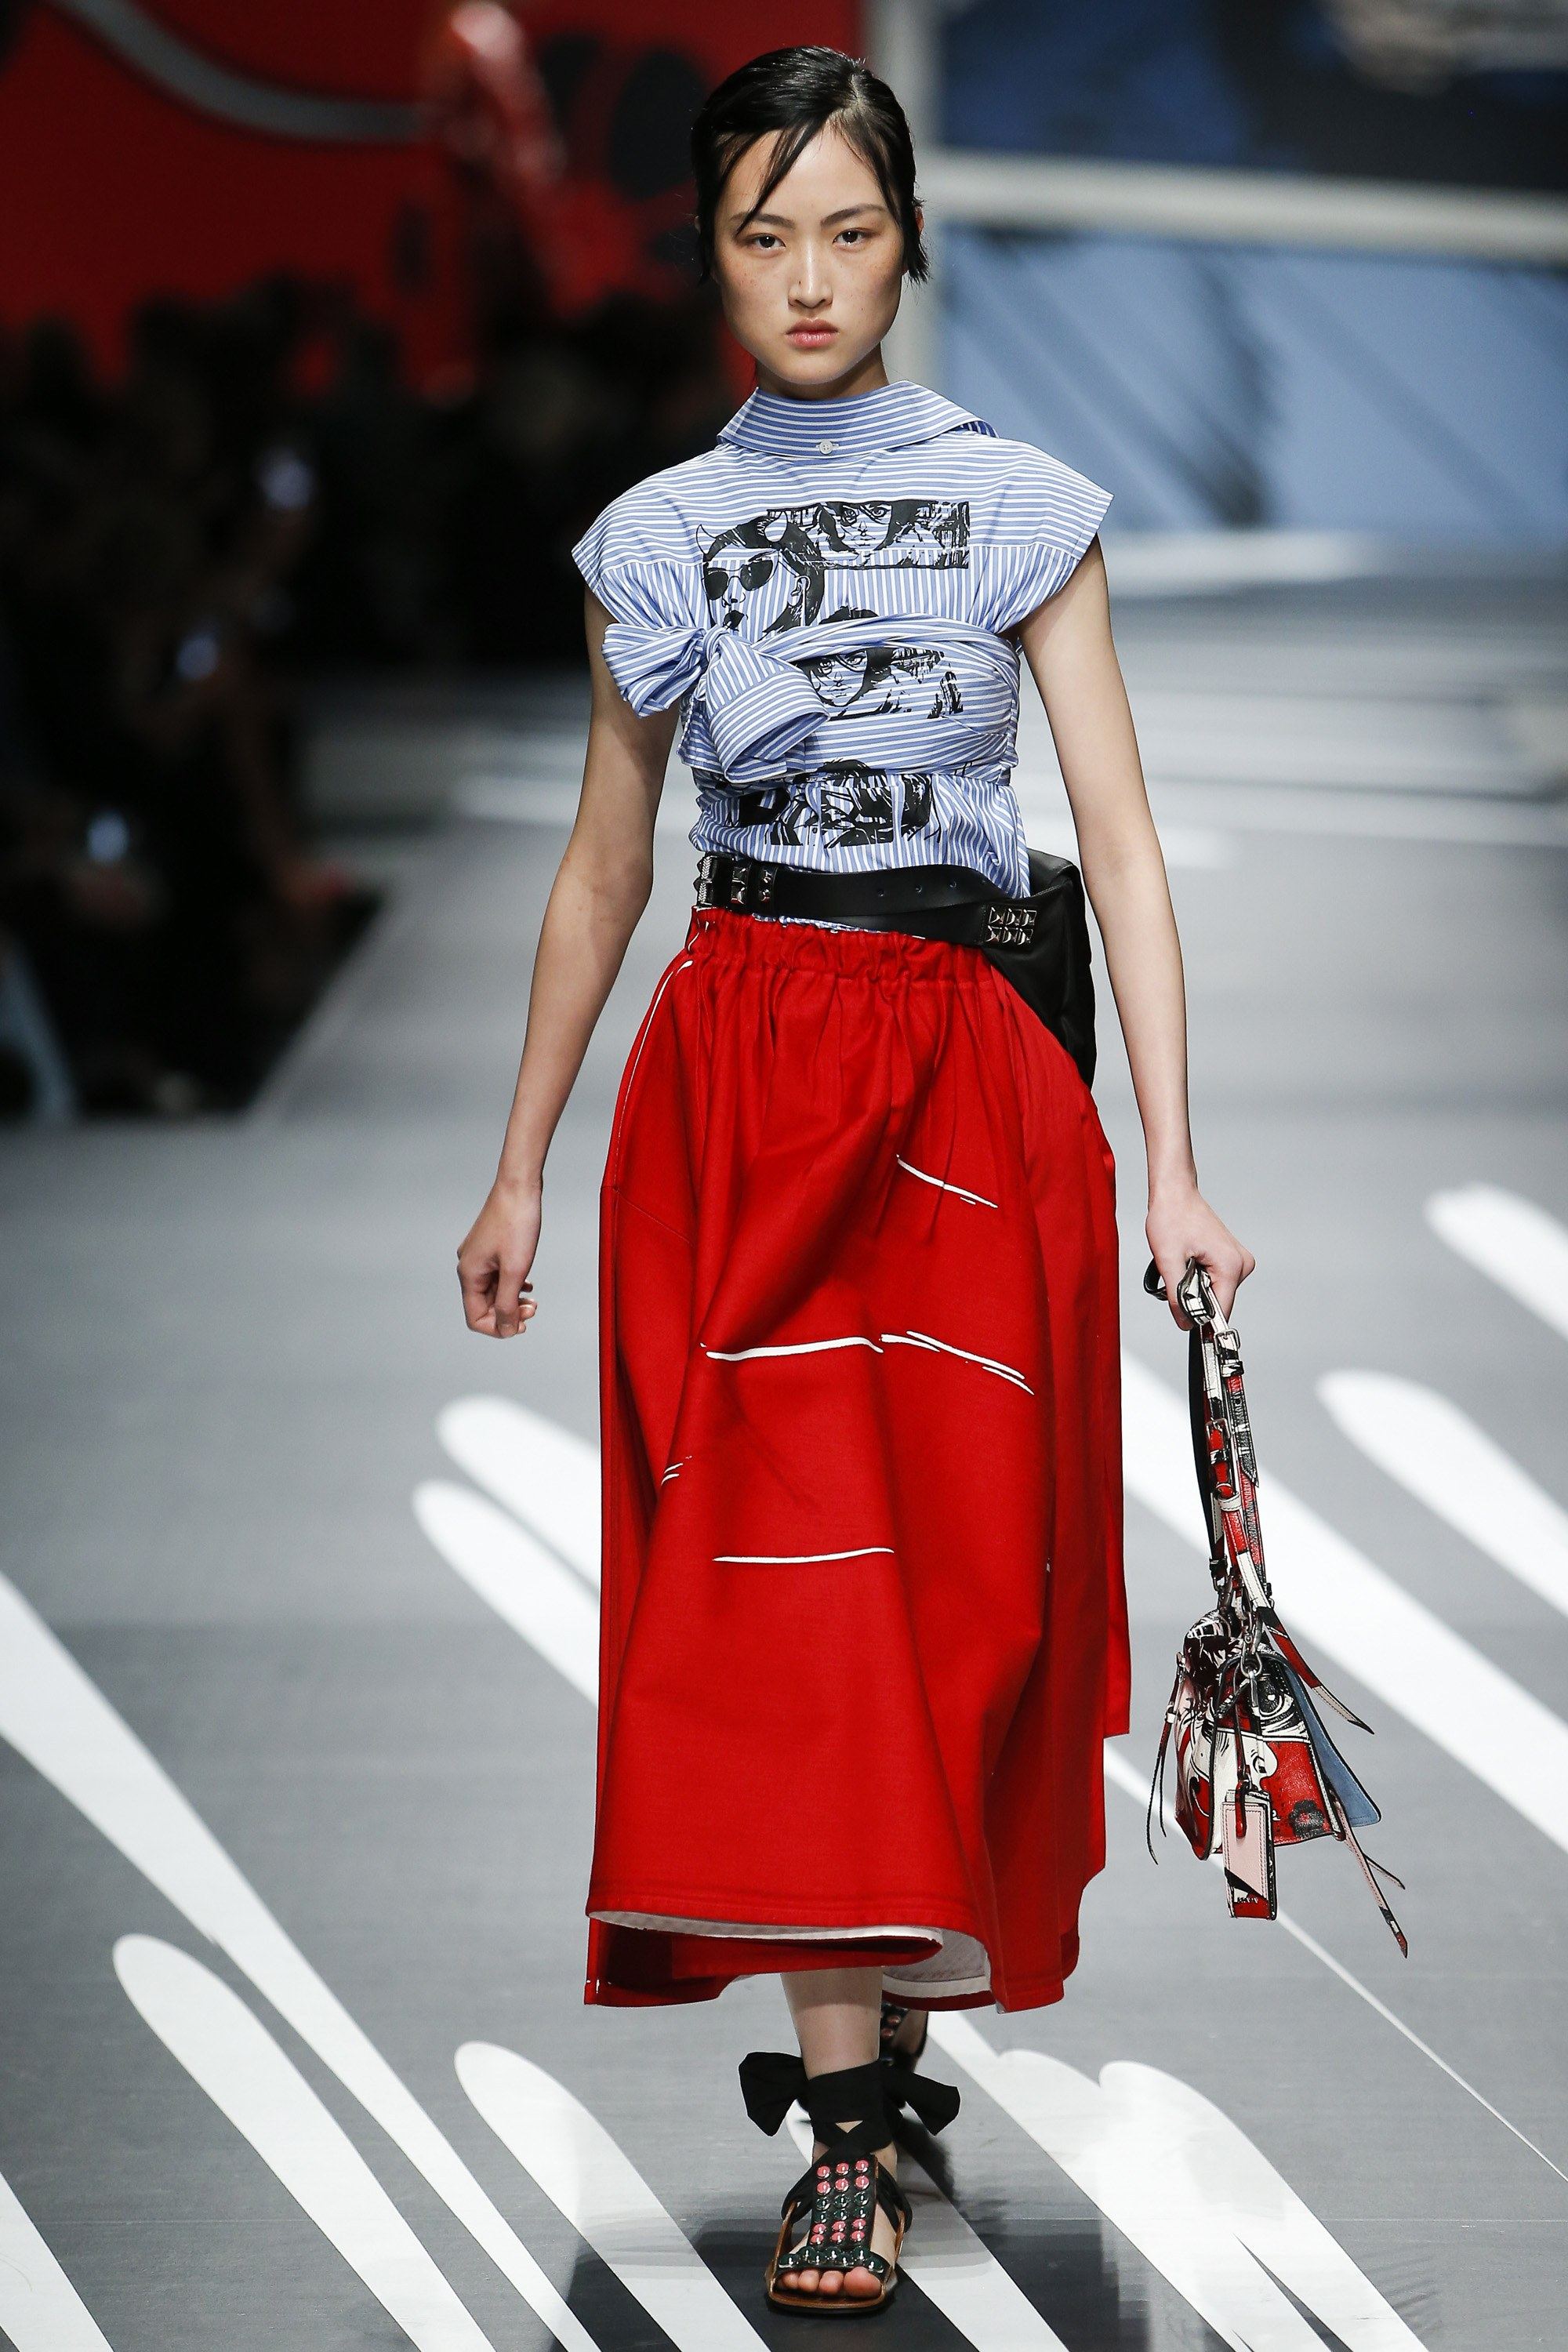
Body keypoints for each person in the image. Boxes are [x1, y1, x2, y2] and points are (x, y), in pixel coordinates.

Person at [456, 42, 1254, 2320]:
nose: (809, 278)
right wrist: (519, 1164)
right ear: (707, 257)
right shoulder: (653, 540)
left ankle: (877, 2035)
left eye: (850, 230)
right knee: (790, 1583)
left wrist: (1178, 1166)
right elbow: (603, 867)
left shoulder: (1024, 505)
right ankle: (845, 2121)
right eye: (762, 235)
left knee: (962, 1594)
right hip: (741, 1076)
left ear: (909, 243)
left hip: (969, 1085)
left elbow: (1118, 844)